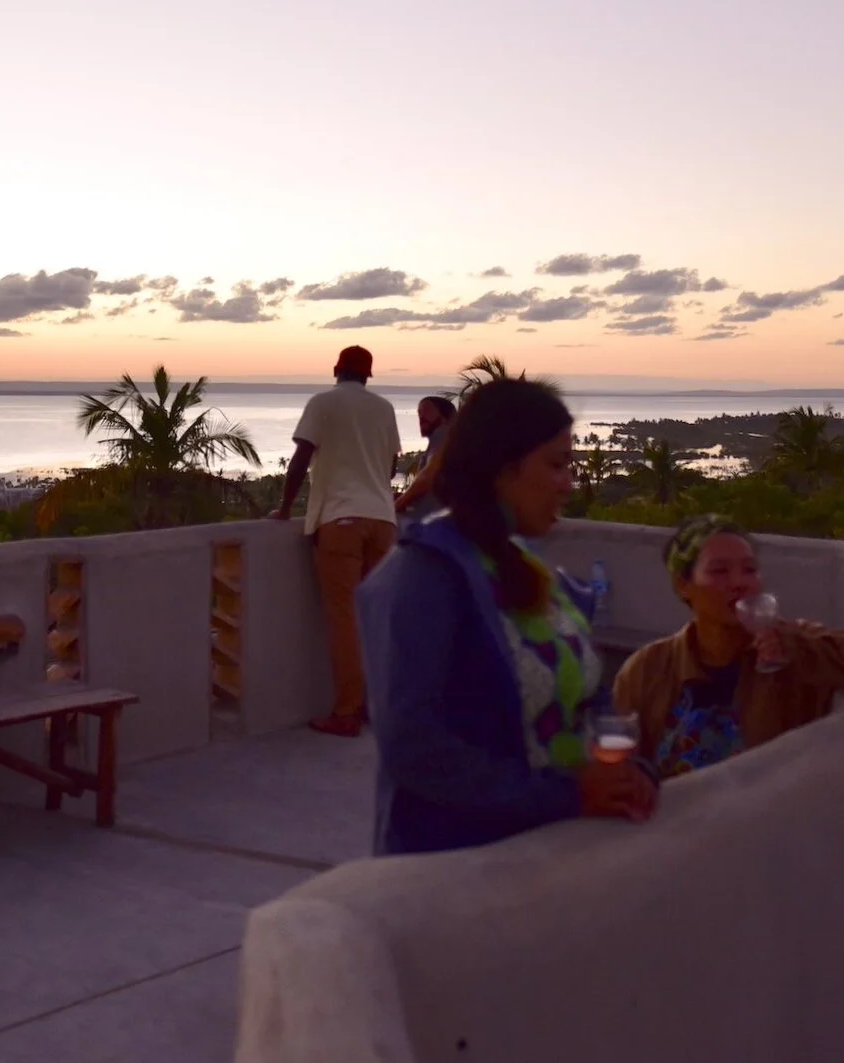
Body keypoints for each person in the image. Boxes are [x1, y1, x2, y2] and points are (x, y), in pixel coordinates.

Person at [357, 379, 657, 855]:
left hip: (549, 854)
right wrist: (565, 795)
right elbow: (413, 748)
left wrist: (625, 771)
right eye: (556, 464)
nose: (568, 484)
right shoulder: (425, 573)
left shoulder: (527, 566)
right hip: (461, 869)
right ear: (502, 468)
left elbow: (585, 690)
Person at [614, 515, 844, 779]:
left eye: (749, 569)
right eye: (719, 571)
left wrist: (800, 649)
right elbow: (621, 760)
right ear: (683, 585)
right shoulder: (647, 669)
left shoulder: (794, 643)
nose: (740, 582)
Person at [271, 345, 403, 738]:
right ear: (368, 375)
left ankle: (346, 713)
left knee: (344, 619)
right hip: (384, 520)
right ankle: (376, 706)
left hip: (342, 519)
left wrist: (285, 508)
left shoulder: (323, 403)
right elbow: (391, 465)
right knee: (375, 618)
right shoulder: (384, 408)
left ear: (336, 369)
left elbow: (301, 457)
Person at [394, 394, 455, 522]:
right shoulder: (447, 439)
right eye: (419, 413)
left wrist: (397, 505)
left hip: (429, 521)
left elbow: (427, 478)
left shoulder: (443, 433)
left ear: (445, 416)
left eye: (426, 411)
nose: (421, 418)